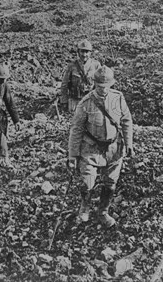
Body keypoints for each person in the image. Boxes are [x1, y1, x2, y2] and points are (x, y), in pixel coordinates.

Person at [67, 66, 134, 228]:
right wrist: (72, 155)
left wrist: (129, 143)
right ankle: (84, 209)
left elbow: (126, 121)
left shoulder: (118, 98)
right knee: (87, 182)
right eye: (99, 87)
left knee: (111, 182)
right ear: (94, 84)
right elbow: (76, 130)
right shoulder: (86, 103)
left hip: (113, 148)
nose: (103, 90)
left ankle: (103, 211)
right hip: (90, 149)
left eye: (106, 86)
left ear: (112, 84)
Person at [60, 39, 101, 114]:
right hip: (75, 101)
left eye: (87, 52)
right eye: (82, 51)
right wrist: (64, 101)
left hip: (90, 100)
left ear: (90, 53)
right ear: (78, 52)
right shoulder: (72, 66)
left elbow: (100, 84)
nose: (84, 55)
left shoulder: (96, 65)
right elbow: (64, 85)